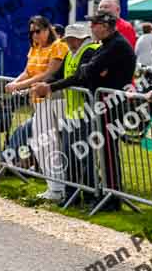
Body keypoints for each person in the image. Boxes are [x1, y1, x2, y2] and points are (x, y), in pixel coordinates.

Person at [33, 11, 137, 211]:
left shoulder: (116, 45)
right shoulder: (107, 45)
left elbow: (87, 72)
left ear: (105, 26)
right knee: (104, 153)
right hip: (101, 102)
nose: (91, 27)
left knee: (107, 153)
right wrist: (92, 72)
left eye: (95, 24)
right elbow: (86, 72)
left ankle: (112, 198)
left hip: (110, 104)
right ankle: (107, 195)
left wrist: (91, 72)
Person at [5, 16, 69, 201]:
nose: (35, 35)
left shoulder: (58, 46)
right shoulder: (34, 48)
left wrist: (20, 86)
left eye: (38, 31)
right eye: (31, 31)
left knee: (53, 142)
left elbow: (48, 73)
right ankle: (54, 186)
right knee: (41, 143)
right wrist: (15, 82)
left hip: (55, 99)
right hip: (38, 101)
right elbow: (28, 70)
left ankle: (61, 187)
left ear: (48, 29)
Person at [45, 23, 100, 205]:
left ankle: (91, 195)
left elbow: (79, 77)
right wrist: (45, 84)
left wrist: (50, 86)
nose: (68, 43)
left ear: (79, 38)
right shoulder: (71, 53)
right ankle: (72, 194)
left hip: (86, 112)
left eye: (70, 39)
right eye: (67, 39)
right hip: (72, 112)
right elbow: (59, 74)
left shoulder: (90, 51)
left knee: (86, 155)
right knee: (70, 153)